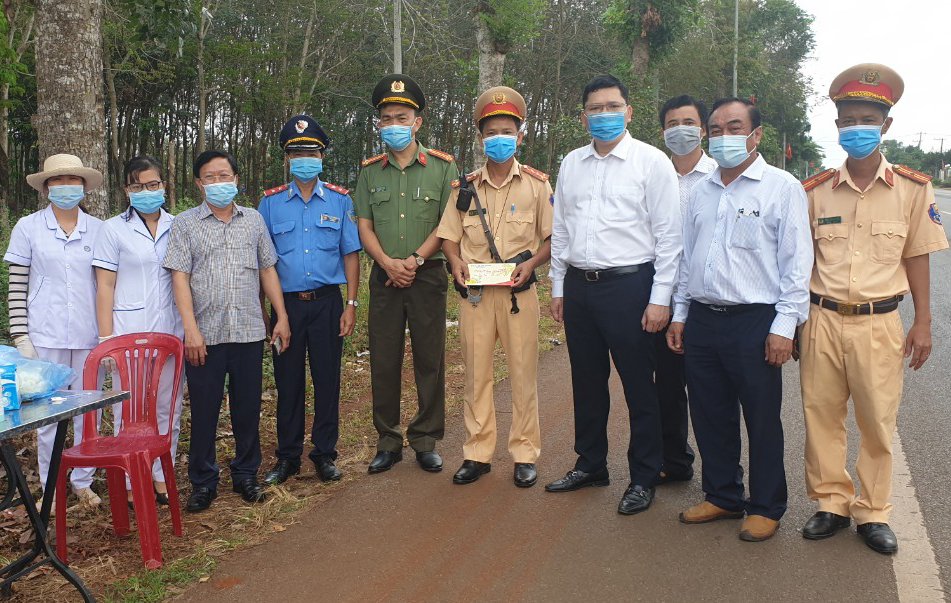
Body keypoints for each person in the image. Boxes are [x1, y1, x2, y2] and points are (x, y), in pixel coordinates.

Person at [798, 64, 948, 554]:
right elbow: (799, 263)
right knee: (821, 415)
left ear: (885, 125)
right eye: (846, 119)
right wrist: (796, 322)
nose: (855, 127)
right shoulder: (815, 190)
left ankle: (873, 511)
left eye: (866, 118)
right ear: (837, 126)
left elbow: (917, 255)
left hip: (880, 321)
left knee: (878, 421)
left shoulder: (912, 187)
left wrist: (922, 323)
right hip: (821, 317)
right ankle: (831, 503)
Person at [667, 97, 813, 542]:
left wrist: (784, 327)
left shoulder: (781, 186)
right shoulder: (700, 190)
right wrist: (680, 313)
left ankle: (766, 505)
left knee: (762, 417)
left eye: (735, 127)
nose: (724, 136)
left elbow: (796, 263)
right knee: (710, 413)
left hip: (756, 320)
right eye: (716, 128)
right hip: (704, 319)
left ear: (756, 135)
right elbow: (687, 258)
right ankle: (723, 495)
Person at [546, 74, 682, 516]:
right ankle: (590, 464)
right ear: (583, 116)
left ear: (628, 112)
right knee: (586, 381)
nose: (603, 115)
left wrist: (660, 298)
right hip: (580, 287)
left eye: (611, 107)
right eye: (594, 108)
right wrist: (557, 284)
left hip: (631, 286)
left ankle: (644, 475)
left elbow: (668, 236)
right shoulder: (571, 163)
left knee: (640, 386)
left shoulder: (651, 162)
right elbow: (561, 227)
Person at [436, 86, 553, 487]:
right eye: (491, 131)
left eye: (507, 129)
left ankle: (524, 453)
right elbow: (449, 237)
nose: (498, 137)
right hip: (477, 295)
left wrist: (533, 264)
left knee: (523, 375)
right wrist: (455, 263)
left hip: (519, 295)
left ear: (520, 135)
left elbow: (554, 239)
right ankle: (477, 453)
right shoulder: (464, 187)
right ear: (481, 137)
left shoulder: (537, 186)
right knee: (476, 375)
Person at [163, 150, 291, 512]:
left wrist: (281, 315)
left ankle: (245, 474)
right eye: (210, 177)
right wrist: (191, 330)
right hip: (206, 336)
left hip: (249, 331)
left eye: (225, 175)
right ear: (199, 183)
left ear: (236, 179)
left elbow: (267, 270)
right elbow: (180, 277)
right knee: (204, 411)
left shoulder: (252, 220)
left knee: (247, 408)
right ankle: (203, 482)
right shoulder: (186, 224)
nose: (218, 183)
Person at [353, 74, 459, 474]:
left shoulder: (442, 168)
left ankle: (426, 438)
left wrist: (413, 260)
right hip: (384, 275)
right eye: (386, 118)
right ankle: (388, 439)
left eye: (401, 116)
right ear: (379, 124)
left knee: (429, 359)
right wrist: (386, 263)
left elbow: (447, 224)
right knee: (384, 360)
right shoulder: (369, 172)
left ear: (417, 122)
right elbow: (364, 225)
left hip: (427, 274)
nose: (393, 124)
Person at [257, 115, 361, 485]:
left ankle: (324, 453)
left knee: (327, 378)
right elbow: (263, 262)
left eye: (311, 152)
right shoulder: (269, 204)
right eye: (297, 152)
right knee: (287, 382)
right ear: (287, 159)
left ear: (322, 157)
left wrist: (351, 304)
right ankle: (287, 457)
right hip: (286, 307)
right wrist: (270, 314)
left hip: (328, 304)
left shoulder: (339, 199)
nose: (305, 158)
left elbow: (351, 254)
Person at [4, 153, 104, 507]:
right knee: (47, 415)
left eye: (72, 181)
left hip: (90, 334)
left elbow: (107, 286)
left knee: (90, 411)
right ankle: (51, 484)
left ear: (84, 187)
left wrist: (109, 334)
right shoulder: (28, 227)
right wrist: (21, 335)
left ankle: (83, 480)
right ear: (46, 187)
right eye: (57, 181)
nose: (65, 187)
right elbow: (17, 285)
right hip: (44, 335)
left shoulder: (99, 230)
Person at [93, 155, 184, 506]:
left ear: (163, 185)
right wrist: (107, 341)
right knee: (127, 411)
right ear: (125, 190)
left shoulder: (178, 225)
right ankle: (132, 481)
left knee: (167, 408)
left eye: (152, 185)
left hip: (171, 332)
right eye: (137, 186)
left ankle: (162, 476)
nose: (146, 192)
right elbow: (104, 287)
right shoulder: (112, 230)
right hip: (127, 334)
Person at [654, 94, 717, 484]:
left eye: (688, 123)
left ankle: (722, 478)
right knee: (667, 386)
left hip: (706, 299)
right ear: (663, 132)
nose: (681, 130)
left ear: (703, 129)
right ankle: (674, 460)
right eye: (673, 124)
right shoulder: (654, 173)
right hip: (662, 295)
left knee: (709, 392)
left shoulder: (718, 177)